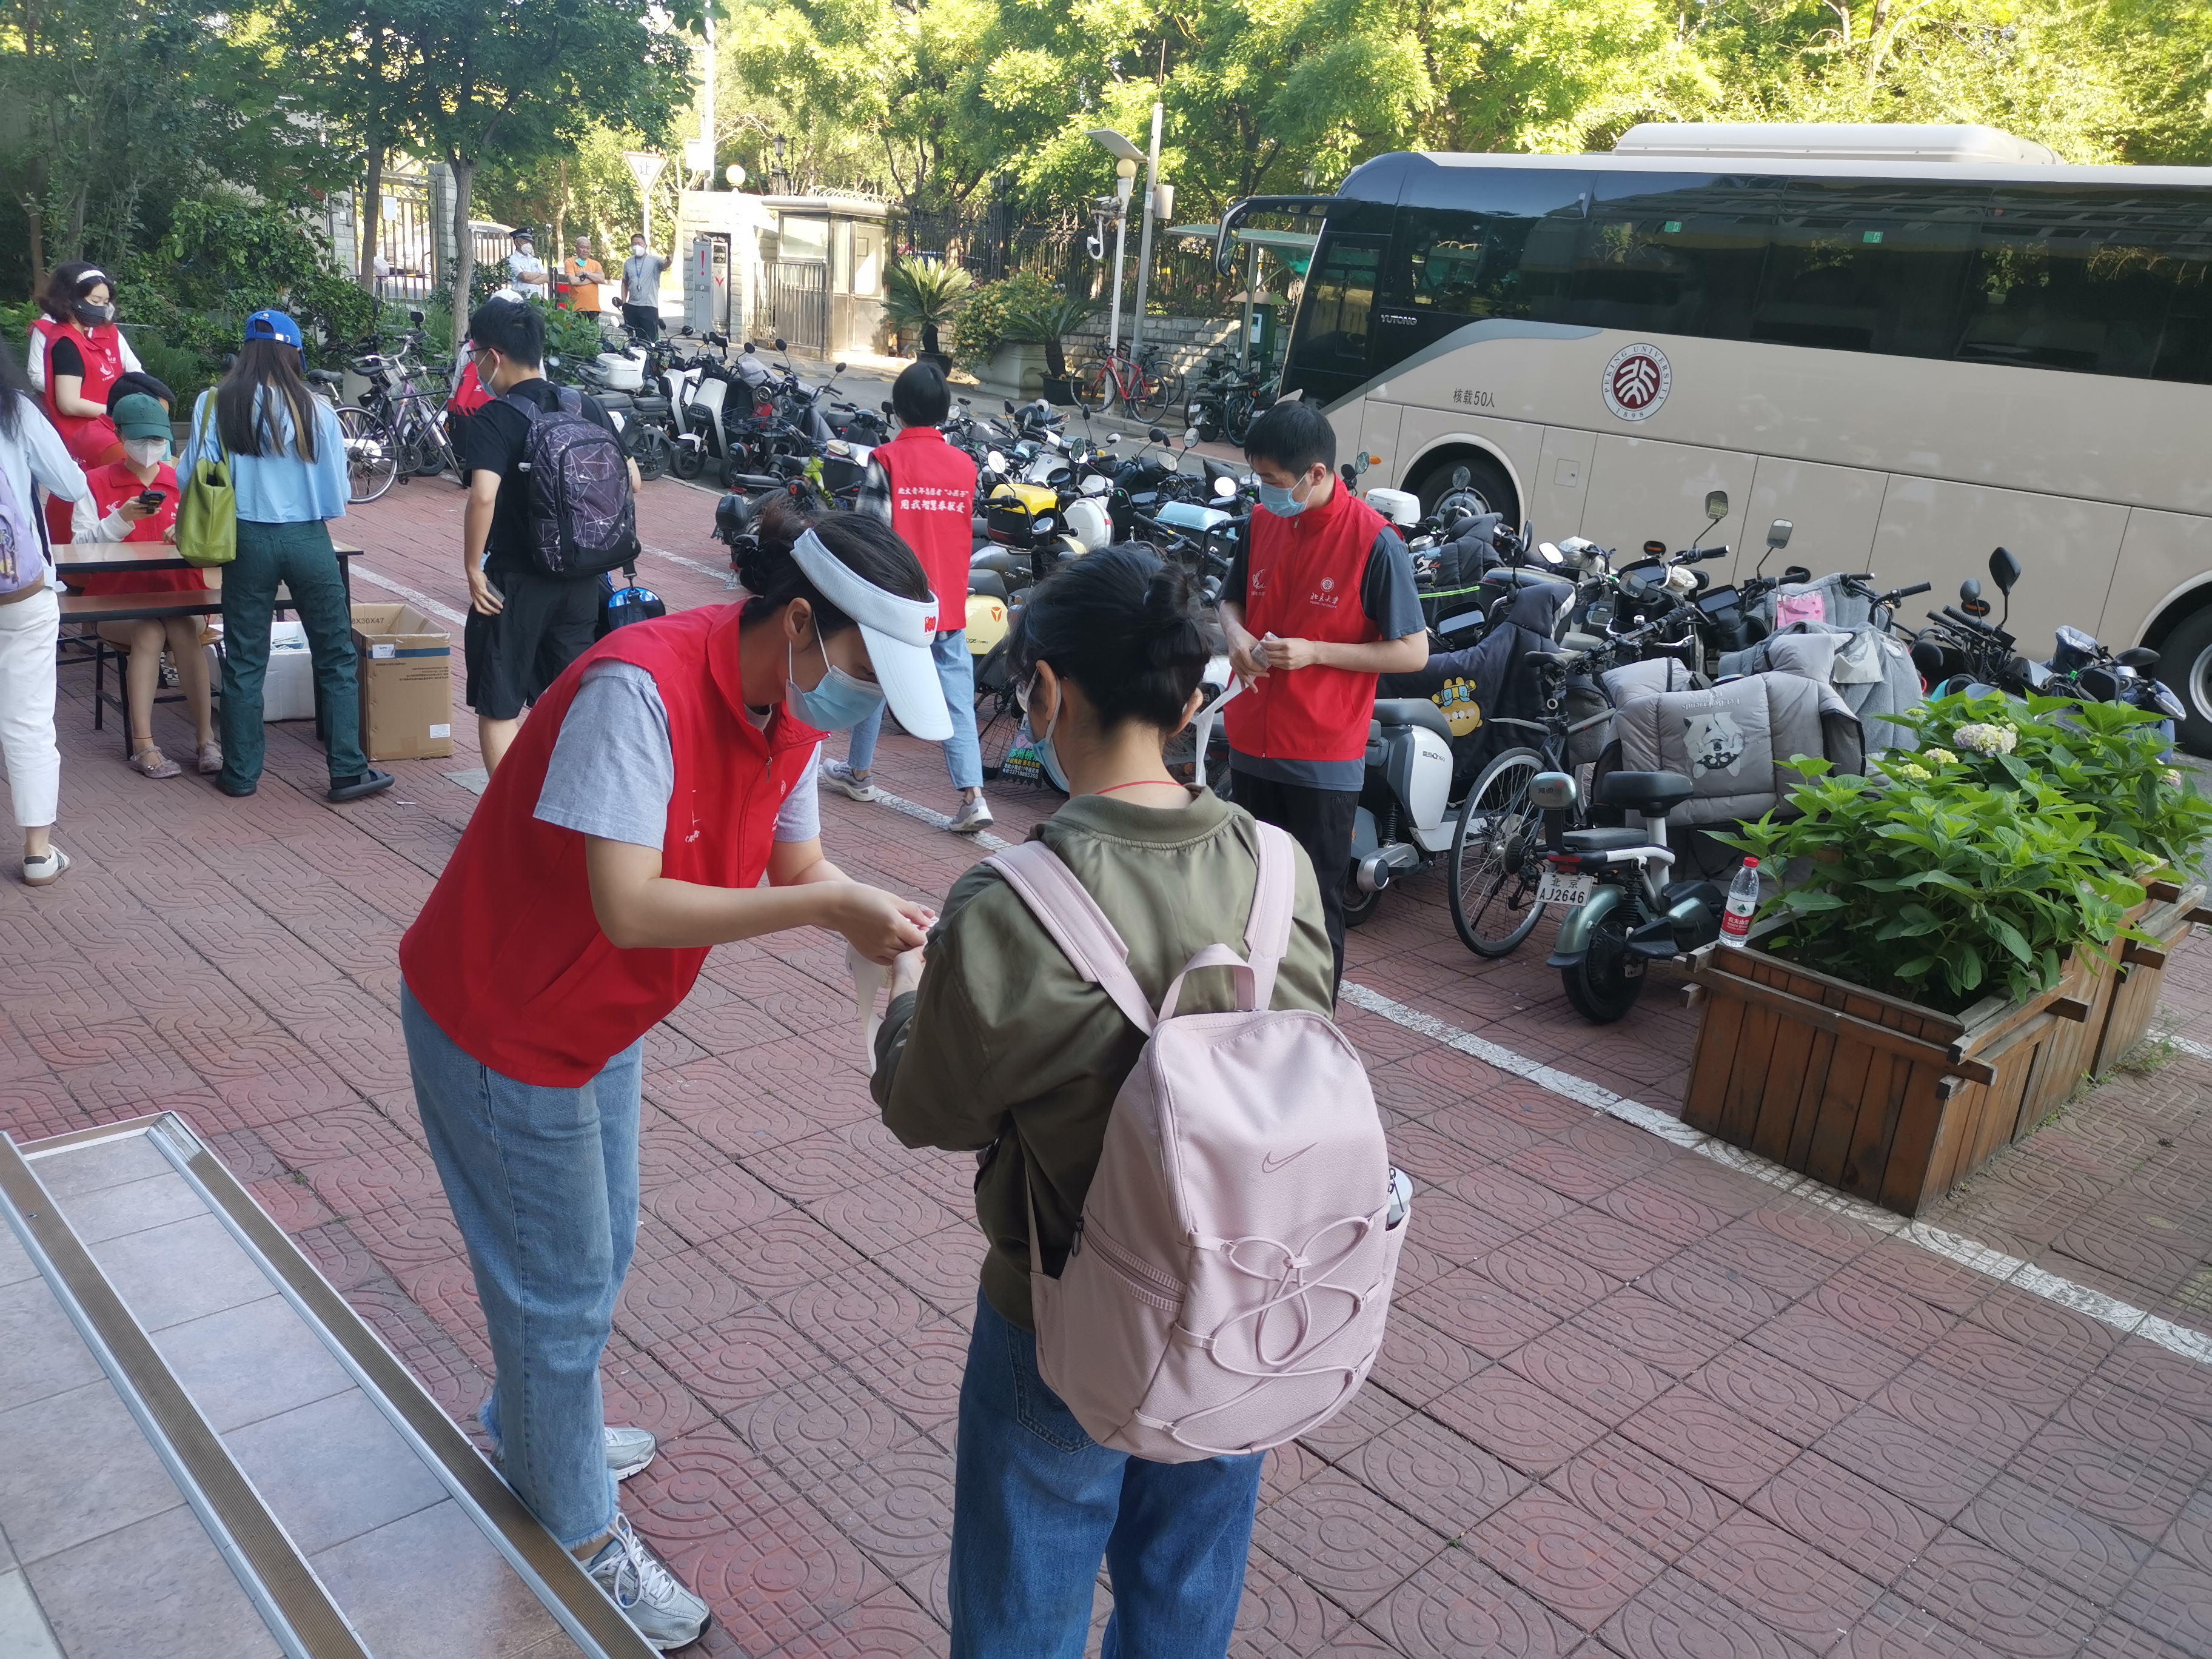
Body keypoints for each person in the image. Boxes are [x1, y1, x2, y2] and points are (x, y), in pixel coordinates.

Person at [397, 498, 948, 1651]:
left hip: (597, 1015)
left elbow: (798, 860)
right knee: (559, 1287)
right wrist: (829, 909)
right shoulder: (639, 690)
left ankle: (536, 1423)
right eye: (864, 670)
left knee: (601, 1249)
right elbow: (630, 904)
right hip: (506, 1017)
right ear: (799, 622)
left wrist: (876, 915)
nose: (864, 704)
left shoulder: (784, 706)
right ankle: (578, 1535)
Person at [869, 546, 1336, 1658]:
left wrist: (904, 995)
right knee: (1182, 1599)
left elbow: (927, 1109)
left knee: (1023, 1605)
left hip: (1061, 1315)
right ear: (1187, 701)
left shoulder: (1014, 900)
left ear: (1047, 690)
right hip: (1243, 1306)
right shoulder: (1281, 870)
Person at [1219, 401, 1426, 993]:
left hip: (1321, 758)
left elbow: (1412, 652)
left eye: (1272, 480)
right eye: (1258, 478)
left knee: (1312, 908)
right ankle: (1246, 1019)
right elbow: (1230, 601)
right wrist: (1236, 636)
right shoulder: (1262, 523)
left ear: (1316, 473)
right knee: (1249, 899)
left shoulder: (1375, 542)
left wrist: (1317, 653)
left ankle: (1315, 1026)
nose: (1264, 493)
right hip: (1250, 742)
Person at [181, 310, 394, 804]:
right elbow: (338, 494)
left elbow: (189, 475)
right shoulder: (317, 409)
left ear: (246, 351)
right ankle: (347, 770)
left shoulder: (215, 403)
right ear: (294, 353)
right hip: (307, 539)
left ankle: (240, 774)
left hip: (244, 540)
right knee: (336, 656)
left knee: (245, 658)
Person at [456, 297, 640, 776]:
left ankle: (510, 813)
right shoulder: (587, 406)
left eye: (476, 356)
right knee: (570, 701)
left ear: (493, 356)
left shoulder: (495, 418)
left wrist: (473, 567)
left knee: (499, 705)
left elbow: (483, 496)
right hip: (583, 580)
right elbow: (633, 480)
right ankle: (567, 806)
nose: (476, 367)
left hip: (515, 582)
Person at [820, 361, 991, 833]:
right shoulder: (966, 466)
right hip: (948, 602)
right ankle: (973, 797)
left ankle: (859, 773)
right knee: (957, 700)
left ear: (898, 409)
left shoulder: (887, 459)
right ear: (944, 410)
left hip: (898, 598)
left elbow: (870, 533)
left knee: (876, 678)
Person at [71, 392, 218, 779]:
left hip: (182, 596)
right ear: (120, 435)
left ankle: (206, 739)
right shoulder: (94, 483)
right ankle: (144, 745)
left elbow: (217, 540)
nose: (150, 448)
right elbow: (78, 549)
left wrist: (187, 533)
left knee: (181, 628)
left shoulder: (184, 480)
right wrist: (119, 520)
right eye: (140, 439)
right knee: (149, 630)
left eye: (158, 439)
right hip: (116, 602)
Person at [0, 337, 95, 886]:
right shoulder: (15, 410)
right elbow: (71, 483)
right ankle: (38, 852)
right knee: (29, 719)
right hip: (21, 590)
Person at [27, 261, 142, 543]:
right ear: (71, 299)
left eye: (106, 302)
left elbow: (134, 371)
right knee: (126, 473)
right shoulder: (64, 340)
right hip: (85, 433)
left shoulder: (98, 335)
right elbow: (66, 400)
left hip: (104, 427)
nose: (102, 308)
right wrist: (113, 409)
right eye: (95, 301)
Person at [621, 235, 667, 342]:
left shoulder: (654, 261)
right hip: (632, 306)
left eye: (639, 244)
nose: (637, 246)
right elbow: (624, 283)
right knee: (633, 339)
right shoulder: (628, 263)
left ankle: (650, 353)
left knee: (650, 340)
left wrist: (669, 260)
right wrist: (624, 302)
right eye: (634, 244)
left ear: (645, 245)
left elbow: (665, 265)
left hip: (648, 307)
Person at [565, 236, 607, 317]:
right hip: (576, 308)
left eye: (588, 248)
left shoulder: (595, 264)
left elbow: (602, 279)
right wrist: (594, 279)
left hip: (593, 308)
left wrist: (586, 274)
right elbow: (573, 281)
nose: (586, 250)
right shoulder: (570, 262)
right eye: (583, 247)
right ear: (576, 248)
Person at [506, 230, 551, 300]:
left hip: (538, 298)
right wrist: (539, 274)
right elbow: (524, 276)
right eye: (526, 242)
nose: (529, 245)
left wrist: (529, 281)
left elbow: (546, 278)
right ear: (517, 242)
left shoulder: (535, 260)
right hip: (522, 298)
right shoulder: (512, 260)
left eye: (530, 242)